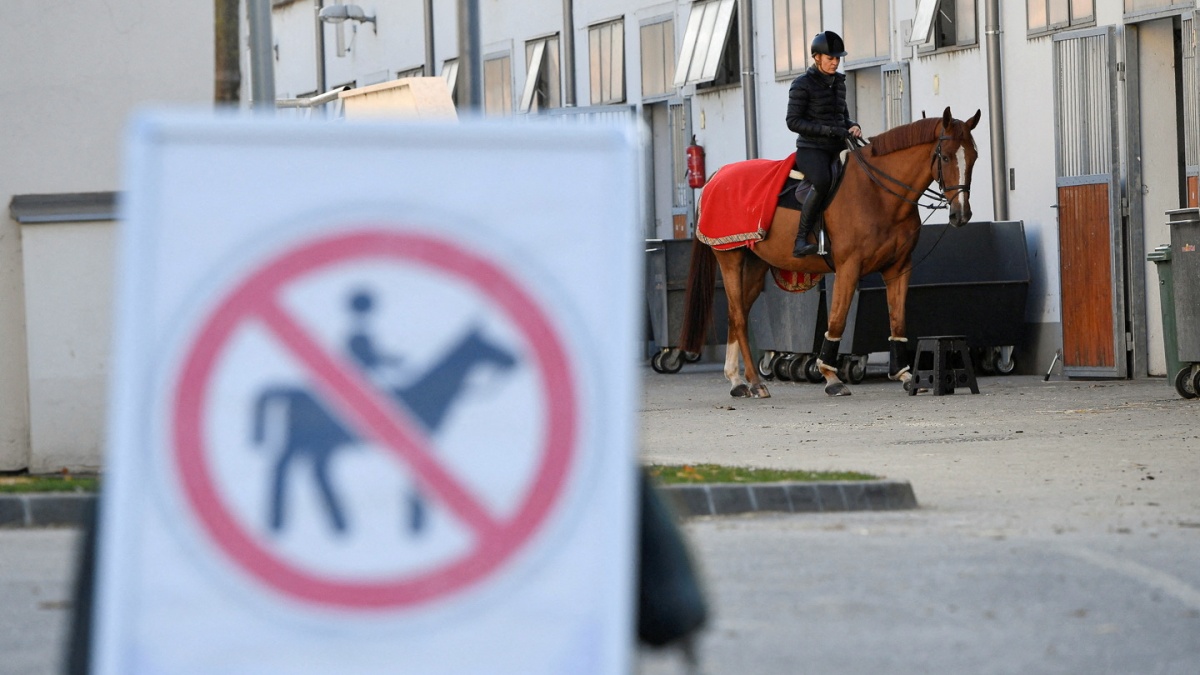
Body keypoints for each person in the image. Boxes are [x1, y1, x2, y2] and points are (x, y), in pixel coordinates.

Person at [786, 30, 862, 257]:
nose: (835, 63)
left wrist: (853, 125)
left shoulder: (839, 83)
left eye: (838, 58)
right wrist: (828, 131)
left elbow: (843, 117)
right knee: (822, 181)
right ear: (817, 57)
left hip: (838, 147)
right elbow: (793, 121)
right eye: (831, 58)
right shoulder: (802, 84)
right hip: (812, 149)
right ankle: (800, 239)